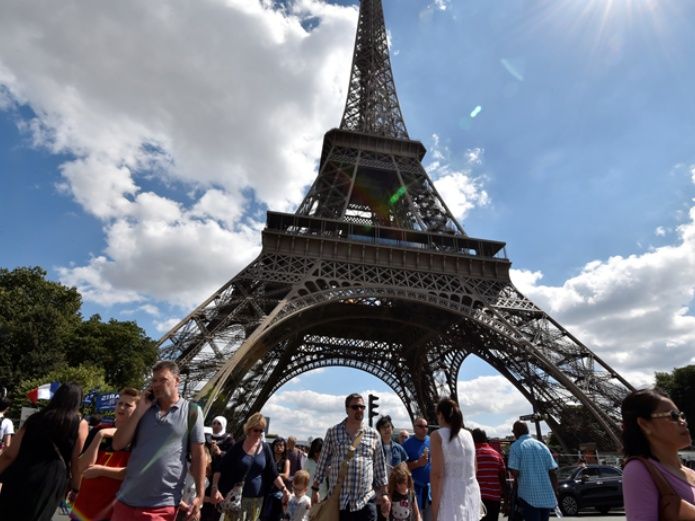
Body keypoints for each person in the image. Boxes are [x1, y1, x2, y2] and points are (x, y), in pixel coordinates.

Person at [111, 361, 205, 521]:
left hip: (162, 505)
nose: (156, 385)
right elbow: (118, 444)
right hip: (126, 500)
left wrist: (201, 495)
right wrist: (139, 411)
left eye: (163, 380)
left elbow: (198, 456)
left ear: (177, 381)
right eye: (154, 380)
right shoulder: (143, 408)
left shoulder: (192, 412)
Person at [0, 382, 88, 520]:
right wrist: (76, 487)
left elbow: (10, 454)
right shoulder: (80, 424)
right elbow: (75, 461)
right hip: (50, 481)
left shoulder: (35, 419)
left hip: (21, 473)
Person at [311, 392, 391, 520]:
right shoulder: (333, 432)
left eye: (362, 407)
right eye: (355, 407)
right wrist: (315, 489)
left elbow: (380, 468)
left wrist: (385, 494)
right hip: (339, 501)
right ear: (347, 409)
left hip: (365, 500)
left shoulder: (374, 434)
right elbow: (322, 463)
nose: (359, 409)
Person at [621, 388, 695, 520]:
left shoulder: (690, 472)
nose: (683, 422)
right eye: (673, 416)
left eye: (681, 415)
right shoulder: (637, 470)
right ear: (645, 424)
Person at [70, 387, 140, 521]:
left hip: (111, 512)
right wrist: (100, 436)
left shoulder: (138, 437)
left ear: (136, 410)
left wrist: (102, 471)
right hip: (84, 507)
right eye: (120, 403)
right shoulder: (99, 430)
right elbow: (82, 467)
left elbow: (133, 473)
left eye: (128, 405)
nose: (122, 408)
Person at [212, 412, 290, 521]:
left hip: (256, 500)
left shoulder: (266, 448)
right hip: (237, 498)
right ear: (248, 429)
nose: (258, 433)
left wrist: (284, 489)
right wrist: (215, 488)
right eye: (256, 430)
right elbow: (220, 468)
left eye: (261, 430)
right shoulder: (238, 446)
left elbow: (273, 473)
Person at [429, 398, 480, 521]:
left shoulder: (437, 435)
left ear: (440, 415)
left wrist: (434, 511)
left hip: (450, 498)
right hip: (471, 495)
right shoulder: (468, 435)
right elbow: (475, 468)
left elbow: (437, 475)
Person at [507, 421, 558, 521]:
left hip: (528, 496)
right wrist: (555, 491)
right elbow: (553, 472)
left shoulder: (516, 446)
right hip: (546, 496)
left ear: (516, 432)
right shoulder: (543, 446)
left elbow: (515, 473)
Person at [472, 428, 506, 521]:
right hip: (494, 499)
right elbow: (502, 478)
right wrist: (506, 500)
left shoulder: (471, 455)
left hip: (477, 499)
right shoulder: (496, 454)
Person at [403, 418, 430, 518]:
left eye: (426, 426)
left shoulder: (432, 441)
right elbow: (402, 468)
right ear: (414, 428)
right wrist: (417, 463)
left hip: (430, 489)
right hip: (415, 489)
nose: (424, 428)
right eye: (421, 426)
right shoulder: (406, 444)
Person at [263, 437, 291, 521]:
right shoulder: (268, 459)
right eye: (276, 445)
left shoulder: (286, 461)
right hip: (266, 490)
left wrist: (273, 474)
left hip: (279, 492)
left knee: (276, 516)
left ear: (284, 447)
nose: (278, 447)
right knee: (264, 516)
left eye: (281, 445)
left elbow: (286, 475)